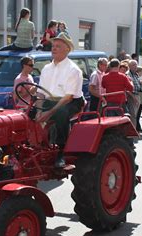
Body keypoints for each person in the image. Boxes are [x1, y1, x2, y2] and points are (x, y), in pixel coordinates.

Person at [37, 33, 84, 168]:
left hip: (71, 101)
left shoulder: (73, 70)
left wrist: (48, 113)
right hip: (51, 100)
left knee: (61, 114)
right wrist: (39, 110)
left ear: (67, 50)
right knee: (27, 113)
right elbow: (40, 92)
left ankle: (62, 152)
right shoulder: (46, 68)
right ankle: (35, 147)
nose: (54, 48)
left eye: (58, 46)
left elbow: (68, 97)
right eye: (53, 46)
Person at [126, 59, 142, 126]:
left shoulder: (136, 74)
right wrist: (134, 98)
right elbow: (127, 89)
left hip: (137, 95)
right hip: (131, 95)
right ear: (129, 66)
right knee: (132, 114)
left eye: (136, 65)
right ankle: (133, 131)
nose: (135, 66)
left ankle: (134, 130)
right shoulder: (128, 74)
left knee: (135, 114)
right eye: (133, 65)